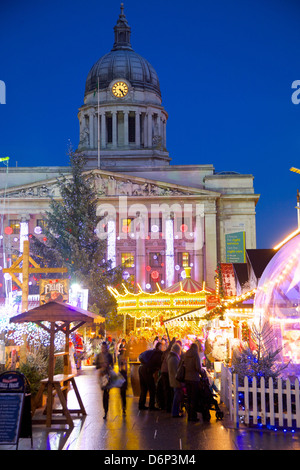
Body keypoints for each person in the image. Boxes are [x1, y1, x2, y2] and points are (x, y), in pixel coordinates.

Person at [138, 342, 163, 410]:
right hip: (147, 370)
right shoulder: (159, 355)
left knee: (144, 388)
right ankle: (152, 406)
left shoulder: (153, 352)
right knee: (152, 388)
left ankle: (141, 405)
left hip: (141, 368)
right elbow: (160, 366)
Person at [183, 342, 202, 422]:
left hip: (187, 378)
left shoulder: (186, 354)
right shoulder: (195, 355)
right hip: (194, 379)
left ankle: (189, 415)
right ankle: (193, 416)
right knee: (194, 398)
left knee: (189, 397)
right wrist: (201, 372)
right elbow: (198, 367)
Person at [96, 342, 113, 419]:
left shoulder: (109, 355)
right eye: (102, 348)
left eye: (105, 348)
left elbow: (112, 364)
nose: (104, 349)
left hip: (107, 375)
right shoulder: (99, 356)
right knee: (104, 393)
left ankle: (106, 411)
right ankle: (105, 409)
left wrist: (108, 367)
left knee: (106, 393)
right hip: (101, 375)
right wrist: (101, 366)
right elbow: (96, 365)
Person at [168, 342, 184, 418]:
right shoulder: (174, 358)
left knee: (177, 395)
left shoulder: (171, 357)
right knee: (177, 397)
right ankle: (175, 413)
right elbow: (177, 370)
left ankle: (176, 411)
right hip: (176, 380)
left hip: (173, 379)